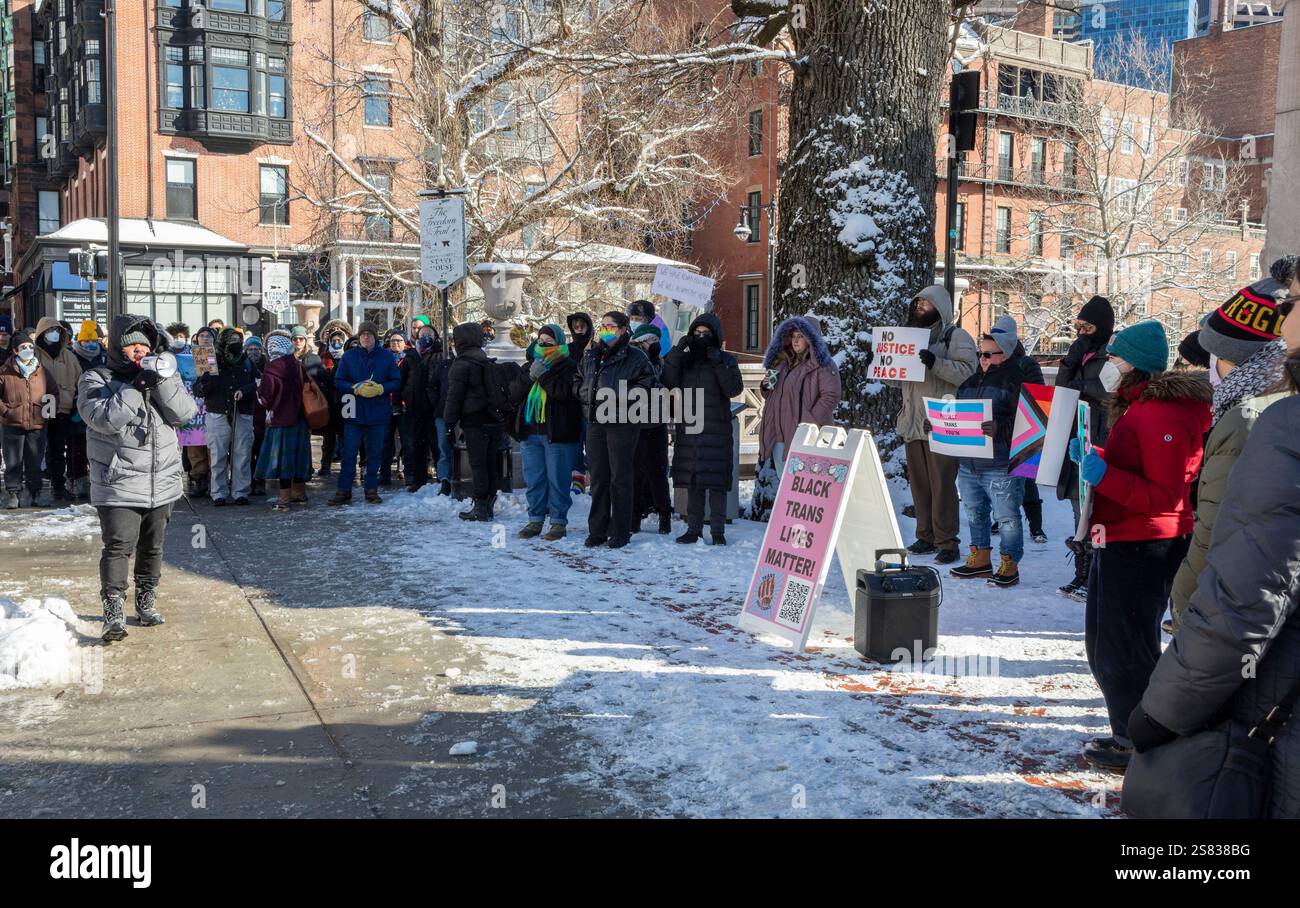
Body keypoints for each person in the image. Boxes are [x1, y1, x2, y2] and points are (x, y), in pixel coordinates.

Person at [1126, 294, 1300, 816]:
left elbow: (1246, 597)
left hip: (1272, 695)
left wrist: (1161, 712)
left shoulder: (1275, 423)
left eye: (1297, 303)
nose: (1286, 319)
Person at [1071, 320, 1211, 771]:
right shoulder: (1140, 407)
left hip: (1145, 540)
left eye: (1115, 357)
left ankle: (1138, 740)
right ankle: (1129, 731)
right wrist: (1102, 460)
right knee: (1108, 645)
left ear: (1134, 366)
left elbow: (1164, 494)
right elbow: (1142, 467)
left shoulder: (1159, 413)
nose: (1108, 364)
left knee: (1124, 648)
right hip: (1126, 535)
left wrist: (1105, 475)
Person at [1169, 279, 1288, 631]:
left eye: (1215, 358)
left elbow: (1214, 530)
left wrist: (1183, 602)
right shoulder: (1271, 404)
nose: (1210, 369)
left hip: (1231, 609)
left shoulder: (1245, 419)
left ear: (1240, 363)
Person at [77, 315, 196, 642]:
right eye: (132, 346)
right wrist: (136, 387)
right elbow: (104, 419)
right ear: (118, 347)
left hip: (162, 482)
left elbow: (185, 414)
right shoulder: (95, 378)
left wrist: (161, 381)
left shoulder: (159, 376)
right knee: (118, 546)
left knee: (153, 547)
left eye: (144, 345)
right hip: (119, 483)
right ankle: (113, 610)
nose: (139, 351)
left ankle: (146, 601)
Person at [871, 286, 977, 563]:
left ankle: (947, 541)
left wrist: (936, 363)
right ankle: (925, 535)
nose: (919, 306)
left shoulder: (956, 336)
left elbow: (969, 373)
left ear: (939, 307)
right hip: (912, 422)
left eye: (925, 303)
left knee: (942, 484)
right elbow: (897, 381)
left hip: (942, 422)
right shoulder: (908, 337)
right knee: (919, 484)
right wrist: (884, 364)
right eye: (916, 302)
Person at [944, 326, 1026, 587]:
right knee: (974, 512)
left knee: (1007, 516)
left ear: (1006, 354)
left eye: (990, 354)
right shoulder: (969, 382)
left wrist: (1001, 429)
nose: (983, 359)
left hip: (1001, 463)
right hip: (969, 462)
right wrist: (938, 426)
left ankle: (1009, 562)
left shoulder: (1016, 381)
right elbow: (955, 417)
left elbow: (1031, 422)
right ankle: (979, 558)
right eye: (981, 353)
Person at [662, 313, 744, 545]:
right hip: (690, 427)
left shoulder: (726, 359)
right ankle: (693, 529)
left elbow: (733, 388)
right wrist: (678, 351)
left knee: (716, 483)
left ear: (715, 335)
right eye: (696, 333)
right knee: (693, 481)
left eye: (705, 334)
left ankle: (717, 531)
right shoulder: (686, 361)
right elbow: (669, 379)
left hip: (716, 429)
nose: (700, 337)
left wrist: (717, 361)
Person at [1053, 295, 1115, 601]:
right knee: (1079, 508)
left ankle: (1096, 575)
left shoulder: (1111, 353)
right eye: (1078, 326)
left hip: (1100, 437)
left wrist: (1078, 387)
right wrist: (1069, 361)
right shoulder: (1082, 353)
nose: (1081, 332)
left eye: (1087, 326)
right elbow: (1062, 388)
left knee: (1095, 509)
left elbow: (1108, 392)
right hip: (1078, 436)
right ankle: (1082, 571)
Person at [750, 315, 843, 522]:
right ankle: (793, 525)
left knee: (805, 486)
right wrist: (766, 386)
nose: (796, 340)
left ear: (812, 339)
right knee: (787, 485)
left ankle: (808, 526)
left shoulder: (824, 366)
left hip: (805, 437)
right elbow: (772, 396)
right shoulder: (782, 365)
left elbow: (831, 396)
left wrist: (809, 422)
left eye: (801, 336)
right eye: (793, 336)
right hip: (779, 435)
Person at [576, 311, 656, 548]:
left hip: (622, 422)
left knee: (620, 477)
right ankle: (597, 530)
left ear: (623, 329)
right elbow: (578, 379)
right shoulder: (592, 355)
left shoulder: (636, 357)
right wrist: (584, 395)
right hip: (595, 422)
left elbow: (648, 386)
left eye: (610, 326)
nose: (605, 330)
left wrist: (616, 399)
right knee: (599, 477)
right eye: (603, 326)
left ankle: (621, 531)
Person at [510, 324, 582, 540]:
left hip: (557, 432)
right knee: (535, 479)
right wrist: (530, 377)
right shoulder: (531, 364)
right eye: (540, 340)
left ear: (559, 343)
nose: (543, 344)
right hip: (530, 431)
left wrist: (543, 376)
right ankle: (535, 520)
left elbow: (564, 394)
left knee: (557, 480)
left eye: (549, 341)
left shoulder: (569, 366)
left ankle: (558, 522)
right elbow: (514, 393)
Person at [989, 315, 1048, 544]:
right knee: (1000, 479)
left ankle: (1036, 527)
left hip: (1025, 428)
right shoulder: (990, 362)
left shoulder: (1027, 364)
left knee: (1027, 480)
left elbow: (1038, 394)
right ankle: (1001, 518)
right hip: (999, 429)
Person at [331, 321, 401, 505]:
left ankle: (371, 489)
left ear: (375, 337)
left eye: (369, 334)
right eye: (362, 334)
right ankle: (344, 490)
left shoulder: (386, 357)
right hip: (353, 410)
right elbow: (338, 381)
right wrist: (354, 387)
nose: (366, 337)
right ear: (358, 337)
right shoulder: (349, 356)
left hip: (377, 411)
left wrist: (380, 389)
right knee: (349, 452)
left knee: (374, 453)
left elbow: (396, 381)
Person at [193, 326, 258, 506]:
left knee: (242, 453)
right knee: (218, 455)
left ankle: (240, 492)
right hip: (217, 412)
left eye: (238, 340)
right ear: (223, 342)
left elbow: (259, 383)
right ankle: (218, 492)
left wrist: (245, 391)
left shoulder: (246, 361)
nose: (235, 344)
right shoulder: (210, 358)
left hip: (242, 412)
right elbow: (198, 390)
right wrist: (205, 379)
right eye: (232, 340)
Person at [444, 321, 502, 520]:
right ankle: (489, 503)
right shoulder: (485, 359)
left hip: (475, 420)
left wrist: (449, 424)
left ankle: (480, 507)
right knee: (490, 463)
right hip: (493, 419)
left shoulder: (461, 364)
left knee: (478, 464)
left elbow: (454, 398)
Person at [255, 334, 312, 511]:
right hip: (301, 419)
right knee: (299, 457)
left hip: (281, 420)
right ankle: (299, 493)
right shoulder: (297, 364)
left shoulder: (272, 368)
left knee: (284, 462)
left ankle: (284, 500)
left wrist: (258, 390)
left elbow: (265, 398)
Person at [33, 316, 84, 503]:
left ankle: (58, 487)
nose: (53, 334)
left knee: (57, 449)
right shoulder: (34, 354)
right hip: (38, 408)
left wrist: (77, 399)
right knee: (36, 450)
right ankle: (34, 487)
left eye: (56, 331)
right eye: (49, 331)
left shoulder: (69, 356)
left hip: (63, 408)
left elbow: (80, 379)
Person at [630, 323, 672, 534]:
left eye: (657, 341)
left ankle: (665, 513)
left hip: (656, 422)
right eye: (651, 341)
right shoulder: (632, 358)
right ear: (640, 341)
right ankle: (635, 516)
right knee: (636, 472)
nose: (654, 345)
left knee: (657, 471)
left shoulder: (660, 361)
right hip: (635, 422)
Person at [0, 331, 48, 508]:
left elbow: (53, 392)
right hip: (12, 424)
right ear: (15, 350)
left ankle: (35, 492)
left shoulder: (41, 370)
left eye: (30, 346)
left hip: (37, 424)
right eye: (23, 347)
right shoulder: (5, 371)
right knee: (13, 461)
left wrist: (47, 413)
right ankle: (13, 493)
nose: (28, 349)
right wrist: (6, 412)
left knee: (34, 461)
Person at [401, 324, 442, 492]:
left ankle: (442, 480)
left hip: (433, 409)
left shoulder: (440, 354)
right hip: (414, 408)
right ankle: (419, 480)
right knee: (416, 446)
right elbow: (402, 380)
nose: (425, 336)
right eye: (422, 333)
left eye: (429, 334)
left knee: (437, 446)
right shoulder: (410, 355)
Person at [315, 319, 352, 477]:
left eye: (339, 340)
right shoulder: (323, 356)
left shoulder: (349, 356)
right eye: (334, 340)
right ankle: (325, 465)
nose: (336, 343)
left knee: (345, 436)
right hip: (328, 400)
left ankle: (346, 464)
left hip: (345, 400)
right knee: (328, 437)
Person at [423, 330, 455, 495]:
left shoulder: (467, 361)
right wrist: (437, 404)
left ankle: (458, 477)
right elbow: (432, 386)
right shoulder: (444, 364)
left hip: (463, 414)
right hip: (443, 412)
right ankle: (445, 480)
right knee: (444, 447)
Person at [566, 311, 594, 494]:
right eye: (575, 326)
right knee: (575, 445)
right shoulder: (567, 349)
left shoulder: (596, 348)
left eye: (581, 325)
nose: (578, 329)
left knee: (592, 444)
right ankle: (577, 479)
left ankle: (593, 478)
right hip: (572, 405)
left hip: (592, 405)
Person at [380, 330, 410, 487]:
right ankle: (384, 474)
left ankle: (409, 474)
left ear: (404, 343)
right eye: (392, 341)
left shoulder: (409, 359)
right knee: (385, 442)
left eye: (398, 340)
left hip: (404, 406)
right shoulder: (383, 358)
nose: (395, 343)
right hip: (386, 405)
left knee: (406, 441)